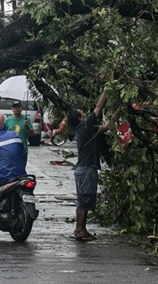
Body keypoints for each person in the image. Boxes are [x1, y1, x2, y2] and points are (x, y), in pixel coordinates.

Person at [67, 91, 108, 242]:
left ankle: (81, 229)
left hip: (84, 169)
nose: (84, 113)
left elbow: (104, 128)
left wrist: (118, 112)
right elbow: (98, 108)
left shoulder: (86, 129)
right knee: (84, 200)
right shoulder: (84, 126)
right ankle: (79, 229)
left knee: (84, 199)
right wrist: (107, 90)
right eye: (82, 113)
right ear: (79, 118)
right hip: (86, 170)